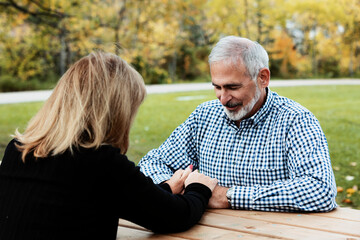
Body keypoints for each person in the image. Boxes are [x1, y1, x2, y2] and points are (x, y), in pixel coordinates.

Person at [0, 51, 218, 240]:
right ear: (114, 112)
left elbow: (121, 199)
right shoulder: (101, 162)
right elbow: (175, 217)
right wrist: (199, 188)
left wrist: (166, 189)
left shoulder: (18, 149)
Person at [139, 36, 338, 212]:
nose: (223, 99)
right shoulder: (205, 115)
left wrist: (227, 196)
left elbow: (320, 190)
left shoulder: (296, 120)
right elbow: (151, 163)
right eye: (217, 87)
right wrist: (169, 186)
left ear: (263, 78)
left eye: (232, 87)